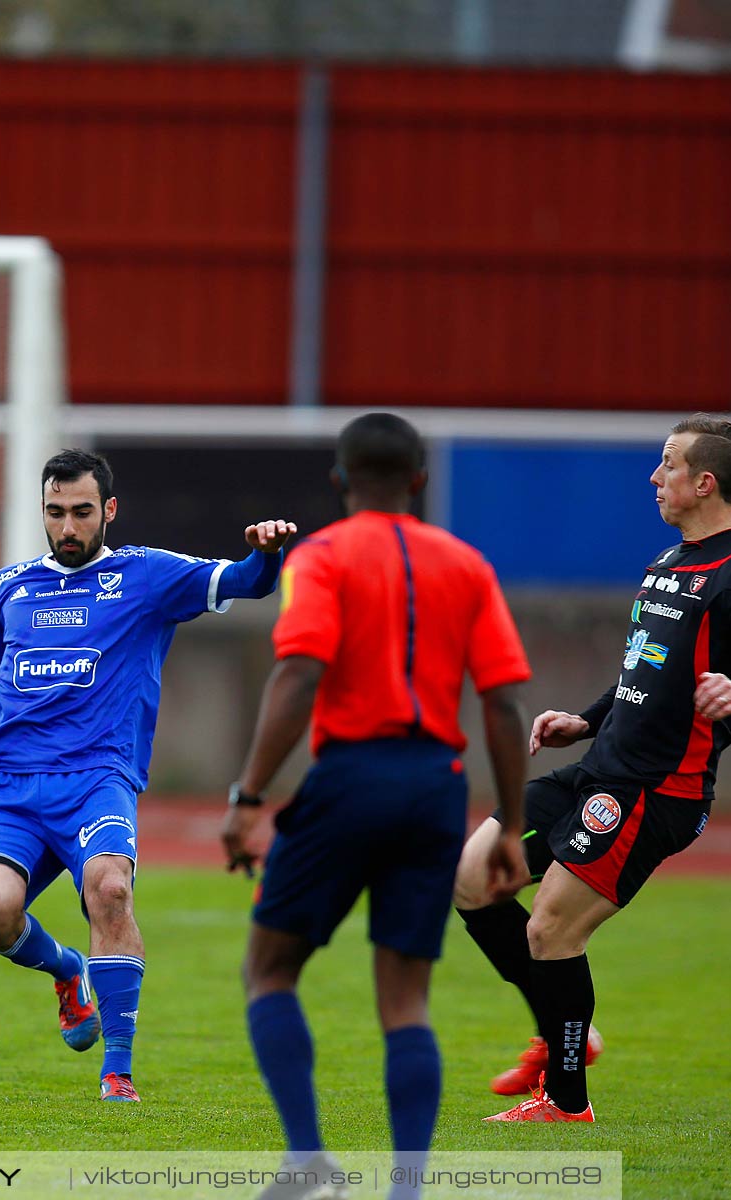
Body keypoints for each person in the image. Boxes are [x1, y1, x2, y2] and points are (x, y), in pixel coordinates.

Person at [456, 413, 731, 1123]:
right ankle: (560, 1040)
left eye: (668, 465)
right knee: (470, 879)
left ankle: (565, 1100)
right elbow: (643, 675)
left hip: (655, 790)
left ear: (703, 482)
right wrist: (586, 719)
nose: (655, 477)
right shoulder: (669, 566)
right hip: (598, 767)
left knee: (552, 929)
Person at [220, 412, 533, 1196]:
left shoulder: (322, 556)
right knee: (406, 998)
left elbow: (298, 675)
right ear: (420, 480)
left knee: (270, 969)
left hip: (349, 778)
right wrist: (511, 824)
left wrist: (249, 796)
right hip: (436, 786)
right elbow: (501, 705)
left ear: (339, 479)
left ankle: (307, 1163)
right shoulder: (467, 564)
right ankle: (407, 1188)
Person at [0, 448, 296, 1103]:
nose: (68, 527)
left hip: (97, 778)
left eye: (82, 513)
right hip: (9, 785)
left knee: (110, 888)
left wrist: (266, 554)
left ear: (109, 511)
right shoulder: (10, 585)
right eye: (56, 513)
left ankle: (117, 1073)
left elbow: (247, 583)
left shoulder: (147, 577)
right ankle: (68, 972)